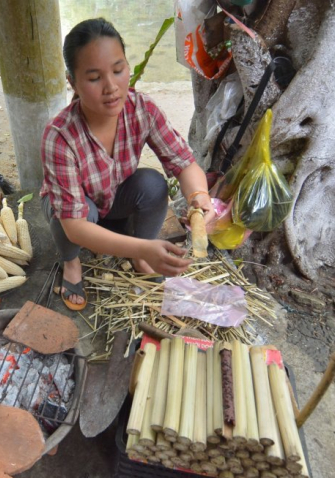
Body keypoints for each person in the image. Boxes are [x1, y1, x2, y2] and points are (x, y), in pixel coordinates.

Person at [40, 18, 215, 311]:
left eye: (118, 70)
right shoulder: (59, 136)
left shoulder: (141, 109)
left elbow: (184, 163)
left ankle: (141, 256)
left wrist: (200, 198)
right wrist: (144, 245)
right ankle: (71, 263)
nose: (111, 87)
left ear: (127, 68)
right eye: (94, 78)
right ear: (73, 82)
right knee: (72, 214)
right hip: (79, 215)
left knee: (152, 183)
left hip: (114, 198)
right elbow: (75, 226)